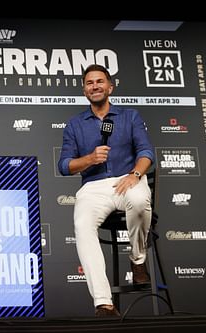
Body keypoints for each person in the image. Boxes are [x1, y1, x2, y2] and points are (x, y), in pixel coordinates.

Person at [58, 64, 155, 317]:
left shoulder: (129, 116)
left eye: (100, 81)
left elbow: (146, 153)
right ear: (84, 90)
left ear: (110, 87)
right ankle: (103, 303)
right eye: (89, 83)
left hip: (128, 177)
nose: (95, 86)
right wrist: (90, 158)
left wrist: (135, 175)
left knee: (139, 198)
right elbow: (64, 166)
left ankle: (137, 261)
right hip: (94, 186)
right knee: (82, 224)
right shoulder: (75, 124)